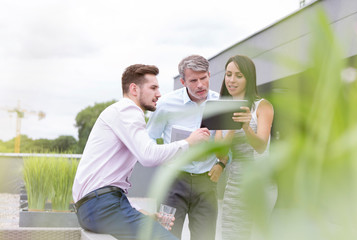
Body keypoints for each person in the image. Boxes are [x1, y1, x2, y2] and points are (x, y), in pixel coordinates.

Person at [72, 64, 211, 240]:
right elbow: (148, 155)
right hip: (100, 206)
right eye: (153, 88)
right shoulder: (128, 110)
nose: (159, 94)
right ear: (134, 89)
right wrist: (188, 142)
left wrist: (138, 213)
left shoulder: (120, 113)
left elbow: (109, 184)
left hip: (98, 206)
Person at [147, 55, 223, 240]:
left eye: (204, 78)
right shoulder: (165, 104)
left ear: (209, 75)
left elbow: (227, 141)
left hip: (206, 184)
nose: (200, 85)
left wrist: (221, 163)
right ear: (183, 81)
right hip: (172, 184)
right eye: (193, 80)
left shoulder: (220, 103)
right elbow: (148, 138)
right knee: (166, 236)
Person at [214, 55, 276, 240]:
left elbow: (261, 147)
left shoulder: (262, 106)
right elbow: (221, 153)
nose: (232, 80)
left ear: (248, 78)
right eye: (228, 74)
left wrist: (247, 127)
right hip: (234, 185)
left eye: (239, 75)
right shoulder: (221, 108)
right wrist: (233, 127)